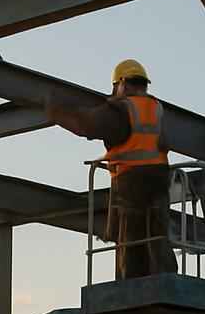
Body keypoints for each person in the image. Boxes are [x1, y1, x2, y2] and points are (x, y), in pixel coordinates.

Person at [44, 58, 176, 279]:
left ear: (122, 83)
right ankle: (166, 278)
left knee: (130, 234)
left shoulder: (122, 109)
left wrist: (54, 110)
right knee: (157, 231)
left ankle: (130, 283)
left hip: (132, 179)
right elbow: (164, 142)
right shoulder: (156, 108)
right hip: (160, 178)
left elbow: (86, 124)